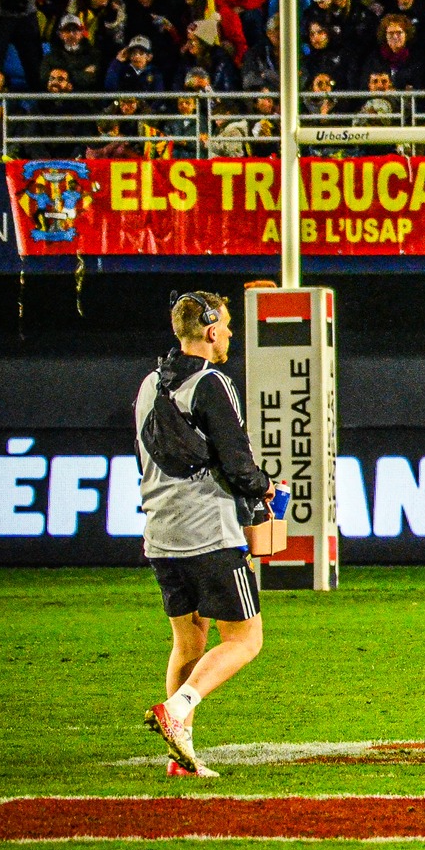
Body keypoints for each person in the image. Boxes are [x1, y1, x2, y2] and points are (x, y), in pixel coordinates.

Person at [136, 292, 277, 780]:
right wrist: (264, 486)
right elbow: (237, 462)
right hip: (209, 533)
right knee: (245, 640)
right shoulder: (211, 383)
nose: (231, 336)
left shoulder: (148, 385)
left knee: (187, 642)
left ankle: (181, 758)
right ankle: (179, 708)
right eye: (229, 328)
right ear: (212, 330)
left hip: (160, 533)